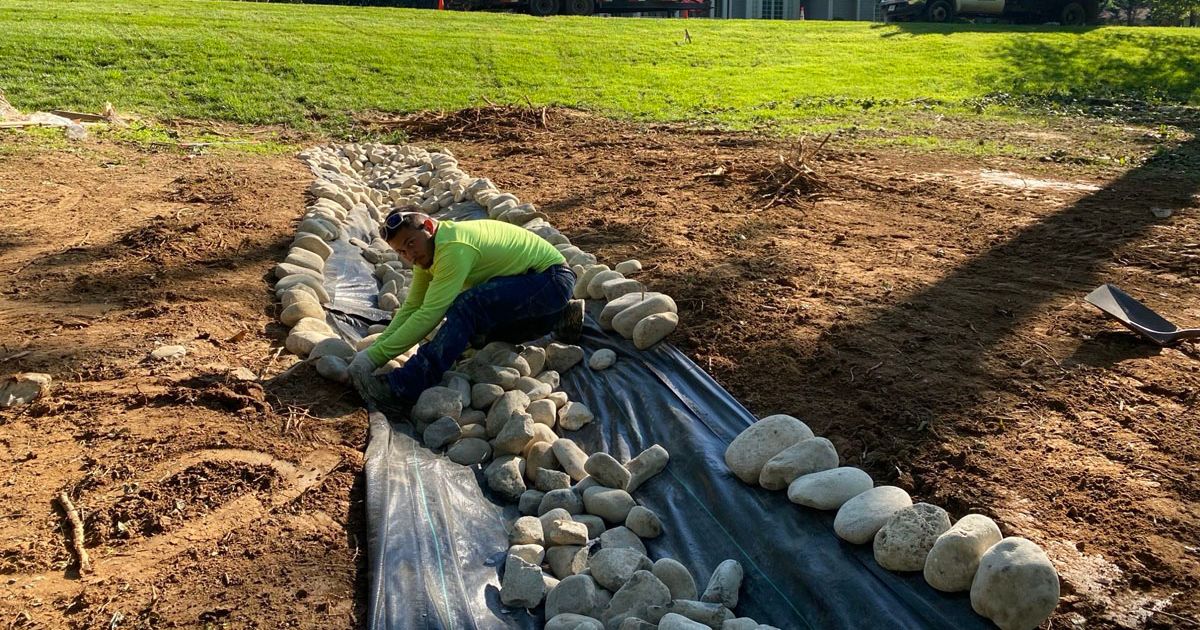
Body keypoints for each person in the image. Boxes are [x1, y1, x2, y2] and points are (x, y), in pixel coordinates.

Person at [348, 210, 583, 411]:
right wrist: (370, 356)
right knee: (477, 334)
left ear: (428, 226)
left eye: (410, 243)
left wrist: (374, 358)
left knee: (467, 306)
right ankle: (559, 316)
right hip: (531, 285)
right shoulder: (426, 255)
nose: (410, 256)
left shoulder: (452, 247)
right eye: (401, 252)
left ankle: (403, 387)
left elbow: (429, 313)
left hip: (551, 279)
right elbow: (412, 307)